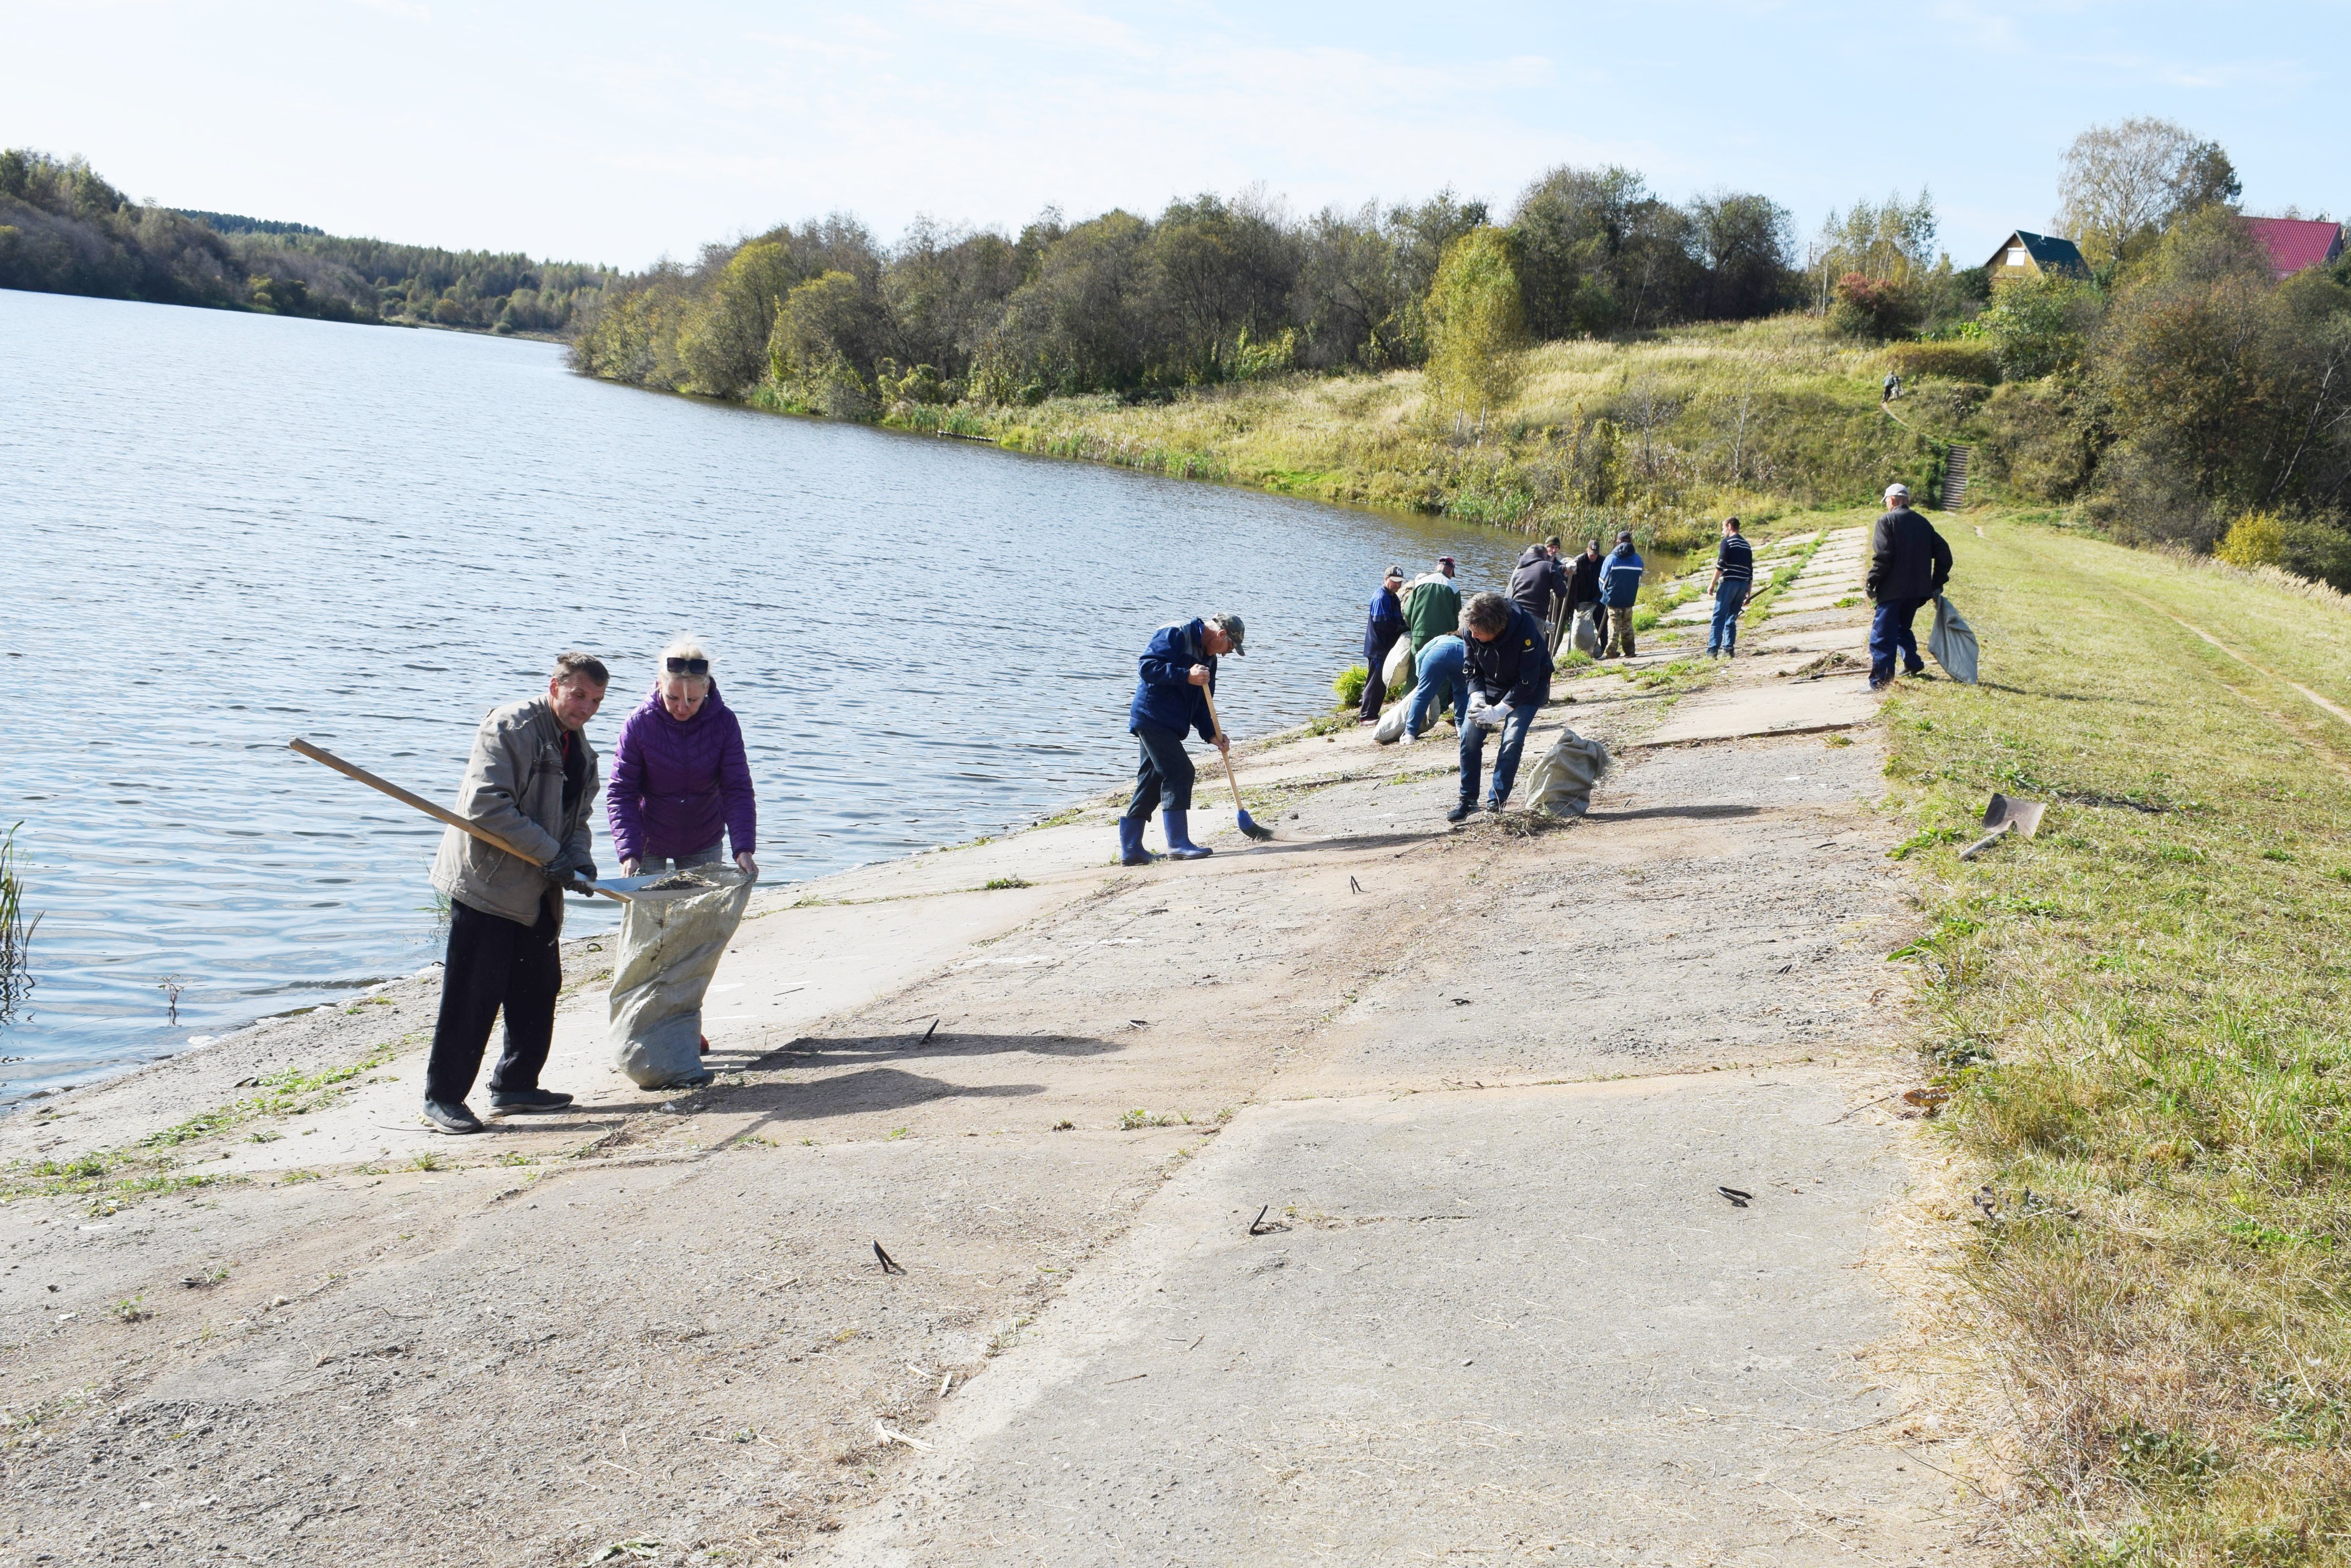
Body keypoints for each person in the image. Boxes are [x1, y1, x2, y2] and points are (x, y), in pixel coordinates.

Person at [422, 651, 610, 1135]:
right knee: (473, 994)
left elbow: (580, 817)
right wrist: (554, 854)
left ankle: (516, 1085)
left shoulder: (580, 747)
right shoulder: (509, 727)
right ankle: (443, 1097)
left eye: (596, 700)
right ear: (555, 686)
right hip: (488, 882)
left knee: (538, 987)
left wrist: (580, 858)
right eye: (578, 695)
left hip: (540, 887)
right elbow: (486, 806)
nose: (586, 707)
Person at [608, 638, 759, 880]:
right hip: (647, 840)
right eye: (673, 698)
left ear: (707, 688)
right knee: (647, 917)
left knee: (698, 915)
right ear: (660, 685)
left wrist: (743, 849)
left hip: (704, 838)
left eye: (692, 700)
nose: (682, 708)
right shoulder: (638, 723)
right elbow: (622, 792)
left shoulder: (725, 723)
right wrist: (628, 852)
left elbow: (737, 789)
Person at [1121, 612, 1246, 865]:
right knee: (1180, 772)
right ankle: (1178, 844)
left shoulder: (1210, 659)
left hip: (1169, 724)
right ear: (1222, 635)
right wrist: (1185, 675)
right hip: (1152, 717)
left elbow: (1203, 703)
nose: (1225, 653)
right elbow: (1147, 667)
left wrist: (1211, 733)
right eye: (1229, 647)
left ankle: (1132, 850)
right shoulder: (1176, 632)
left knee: (1153, 780)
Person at [1450, 592, 1554, 821]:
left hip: (1530, 686)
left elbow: (1528, 681)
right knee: (1469, 735)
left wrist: (1498, 711)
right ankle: (1468, 799)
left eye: (1478, 633)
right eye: (1471, 631)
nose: (1472, 635)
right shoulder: (1470, 628)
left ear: (1496, 629)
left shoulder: (1525, 630)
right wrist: (1477, 697)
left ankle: (1496, 803)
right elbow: (1471, 667)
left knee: (1512, 739)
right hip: (1490, 684)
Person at [1866, 482, 1953, 689]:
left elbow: (1883, 557)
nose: (1887, 505)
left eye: (1887, 501)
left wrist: (1872, 581)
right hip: (1917, 592)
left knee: (1881, 637)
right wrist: (1935, 582)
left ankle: (1880, 683)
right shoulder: (1923, 522)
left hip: (1893, 591)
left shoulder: (1886, 521)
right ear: (1907, 500)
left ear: (1893, 500)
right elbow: (1944, 554)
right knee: (1901, 628)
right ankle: (1912, 663)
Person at [1398, 555, 1463, 710]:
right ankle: (1438, 708)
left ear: (1437, 567)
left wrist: (1414, 628)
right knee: (1442, 671)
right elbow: (1458, 617)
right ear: (1451, 570)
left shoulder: (1420, 583)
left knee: (1415, 669)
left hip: (1420, 633)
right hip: (1442, 637)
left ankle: (1407, 704)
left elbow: (1408, 611)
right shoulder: (1453, 589)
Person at [1403, 624, 1469, 741]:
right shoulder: (1467, 643)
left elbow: (1420, 656)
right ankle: (1461, 729)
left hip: (1438, 654)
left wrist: (1421, 678)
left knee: (1423, 694)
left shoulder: (1440, 638)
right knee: (1462, 692)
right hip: (1462, 655)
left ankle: (1410, 733)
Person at [1358, 566, 1407, 723]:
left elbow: (1397, 620)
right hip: (1378, 647)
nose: (1397, 585)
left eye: (1400, 582)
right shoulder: (1381, 597)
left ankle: (1372, 713)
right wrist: (1402, 629)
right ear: (1386, 579)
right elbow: (1382, 625)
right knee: (1375, 682)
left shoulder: (1393, 597)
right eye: (1394, 582)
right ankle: (1366, 716)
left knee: (1381, 682)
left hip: (1386, 647)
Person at [1705, 517, 1755, 658]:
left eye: (1723, 528)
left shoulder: (1727, 543)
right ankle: (1728, 649)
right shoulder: (1747, 545)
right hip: (1742, 584)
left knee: (1719, 616)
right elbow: (1750, 571)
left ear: (1730, 526)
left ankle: (1713, 650)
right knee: (1731, 617)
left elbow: (1721, 565)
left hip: (1729, 583)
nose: (1723, 531)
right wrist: (1748, 593)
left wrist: (1712, 584)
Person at [1599, 531, 1645, 659]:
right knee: (1627, 625)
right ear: (1631, 542)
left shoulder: (1611, 558)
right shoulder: (1638, 560)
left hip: (1613, 599)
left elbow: (1602, 582)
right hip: (1629, 599)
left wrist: (1605, 595)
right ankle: (1630, 651)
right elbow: (1639, 580)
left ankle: (1611, 652)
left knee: (1614, 625)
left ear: (1618, 542)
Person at [1509, 541, 1569, 631]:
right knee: (1536, 645)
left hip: (1515, 614)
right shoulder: (1549, 566)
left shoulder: (1519, 570)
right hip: (1535, 616)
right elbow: (1561, 593)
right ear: (1544, 556)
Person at [1566, 539, 1604, 655]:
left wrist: (1598, 599)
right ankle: (1572, 651)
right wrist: (1575, 601)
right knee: (1576, 625)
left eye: (1596, 555)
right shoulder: (1578, 562)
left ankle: (1604, 649)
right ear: (1586, 550)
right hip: (1581, 599)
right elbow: (1572, 584)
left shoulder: (1603, 562)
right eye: (1592, 555)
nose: (1594, 557)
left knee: (1601, 624)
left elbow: (1605, 581)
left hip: (1597, 599)